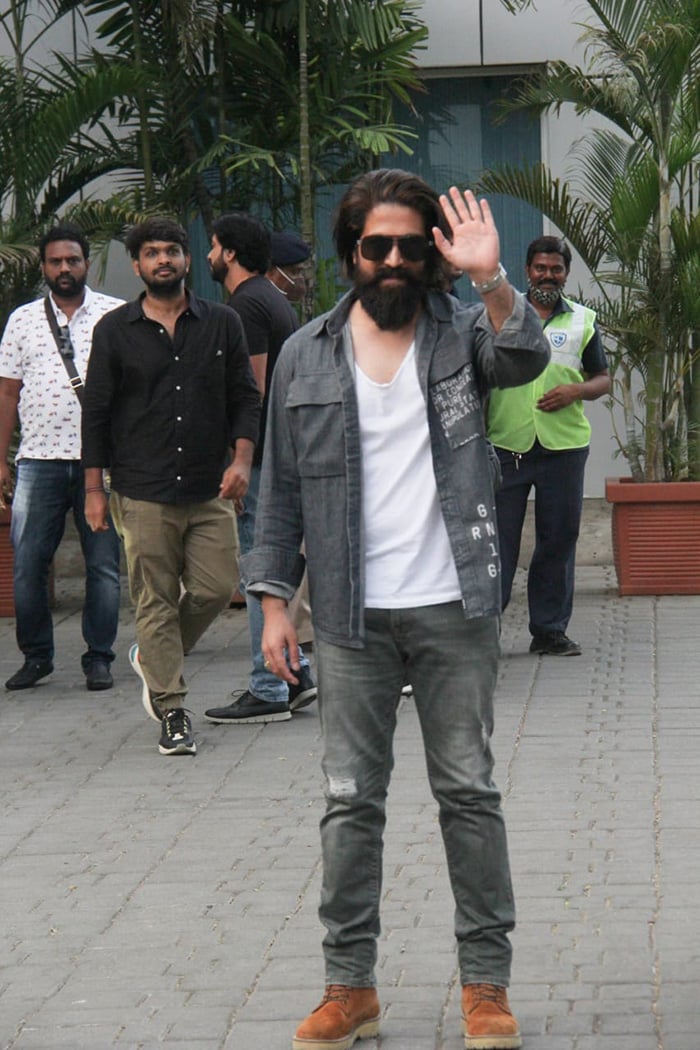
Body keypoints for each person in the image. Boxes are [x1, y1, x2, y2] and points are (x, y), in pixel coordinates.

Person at [242, 168, 550, 1050]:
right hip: (347, 617)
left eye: (412, 247)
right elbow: (280, 492)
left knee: (468, 792)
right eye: (377, 246)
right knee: (349, 802)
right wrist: (273, 605)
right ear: (350, 253)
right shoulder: (306, 352)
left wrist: (491, 276)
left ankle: (485, 986)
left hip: (456, 605)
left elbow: (524, 359)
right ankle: (350, 986)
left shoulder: (463, 331)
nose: (393, 260)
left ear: (431, 258)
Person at [81, 217, 260, 756]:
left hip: (209, 486)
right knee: (153, 601)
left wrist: (244, 460)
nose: (164, 260)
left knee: (215, 586)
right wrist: (93, 489)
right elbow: (96, 412)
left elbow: (245, 397)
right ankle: (172, 708)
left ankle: (153, 658)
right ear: (137, 265)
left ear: (187, 260)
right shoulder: (114, 330)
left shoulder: (222, 322)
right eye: (153, 253)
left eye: (173, 251)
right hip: (141, 489)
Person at [203, 214, 316, 725]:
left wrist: (242, 460)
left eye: (211, 247)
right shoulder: (267, 297)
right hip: (276, 452)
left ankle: (269, 685)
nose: (207, 256)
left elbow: (254, 389)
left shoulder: (247, 303)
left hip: (264, 457)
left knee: (258, 570)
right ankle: (296, 674)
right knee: (270, 565)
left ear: (228, 253)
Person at [0, 223, 122, 692]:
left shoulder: (116, 314)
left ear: (86, 263)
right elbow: (7, 392)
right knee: (28, 563)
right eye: (56, 261)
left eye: (73, 260)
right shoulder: (23, 320)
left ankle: (99, 658)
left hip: (103, 463)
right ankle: (36, 657)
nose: (65, 268)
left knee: (104, 566)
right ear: (44, 267)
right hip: (38, 460)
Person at [487, 235, 610, 657]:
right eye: (540, 268)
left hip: (563, 448)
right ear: (527, 271)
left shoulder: (583, 320)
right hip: (506, 445)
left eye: (555, 269)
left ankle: (549, 630)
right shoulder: (501, 313)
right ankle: (486, 633)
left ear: (565, 274)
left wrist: (576, 391)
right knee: (497, 543)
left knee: (558, 538)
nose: (547, 275)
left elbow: (602, 378)